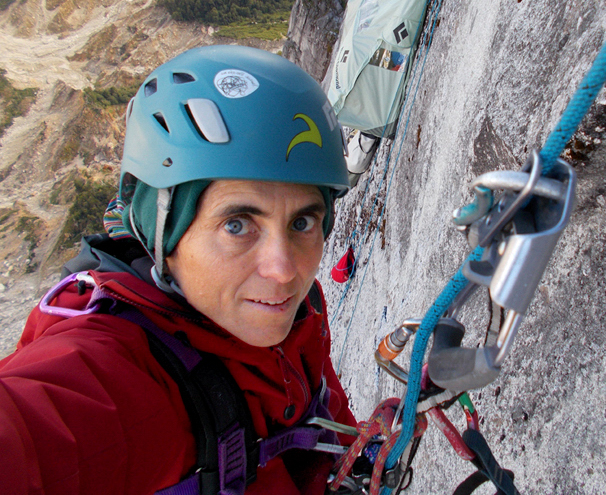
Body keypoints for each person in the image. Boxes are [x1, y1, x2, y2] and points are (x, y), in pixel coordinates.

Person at [0, 45, 357, 495]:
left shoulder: (292, 307)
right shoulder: (124, 376)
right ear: (162, 232)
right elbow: (30, 433)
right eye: (237, 224)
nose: (284, 270)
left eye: (302, 222)